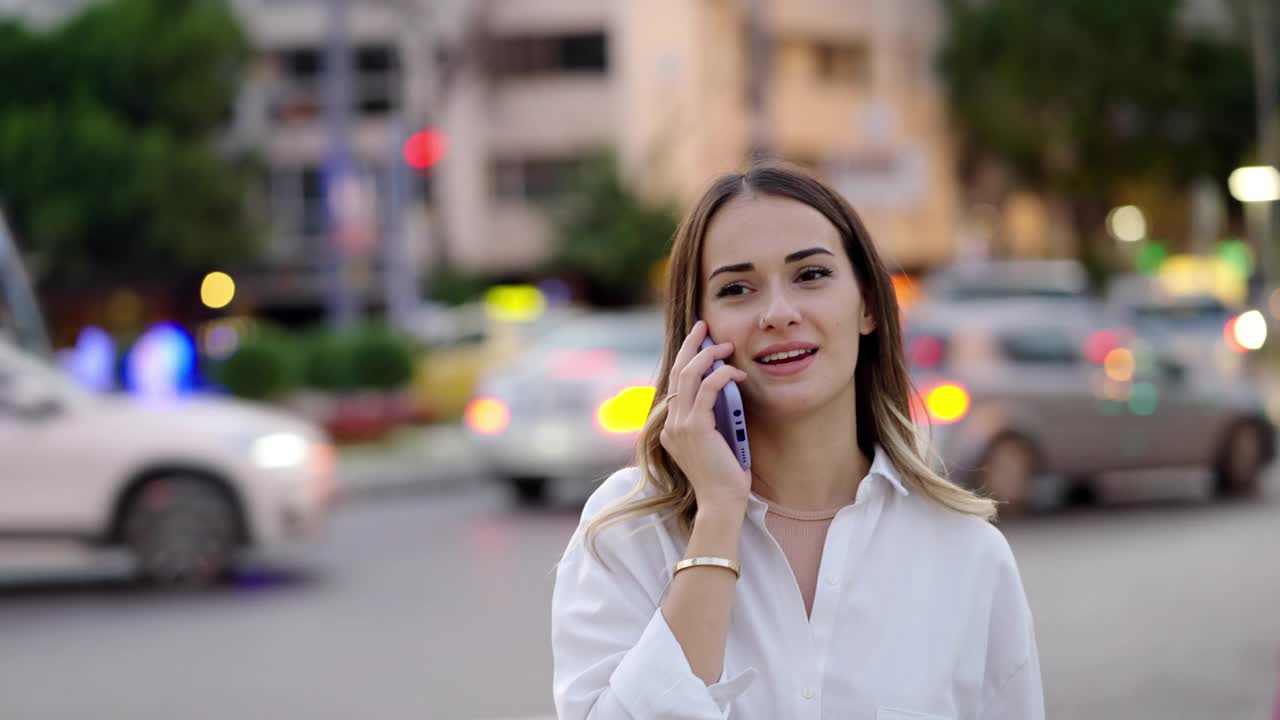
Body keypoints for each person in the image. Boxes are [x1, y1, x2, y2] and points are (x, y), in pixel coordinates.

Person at [551, 162, 1044, 719]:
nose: (779, 314)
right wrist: (717, 516)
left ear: (868, 306)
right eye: (736, 289)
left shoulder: (967, 554)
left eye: (810, 275)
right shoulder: (627, 531)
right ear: (697, 330)